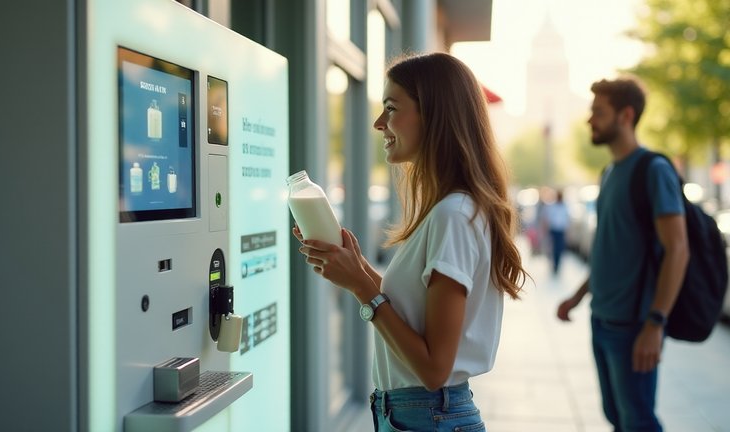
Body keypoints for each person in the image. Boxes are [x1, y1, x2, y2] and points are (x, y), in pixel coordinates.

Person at [294, 52, 528, 431]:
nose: (378, 123)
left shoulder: (453, 216)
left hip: (428, 416)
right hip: (419, 415)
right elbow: (416, 314)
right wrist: (359, 269)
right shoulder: (453, 211)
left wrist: (360, 287)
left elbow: (434, 368)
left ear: (434, 115)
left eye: (390, 108)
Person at [556, 77, 689, 431]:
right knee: (617, 416)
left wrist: (655, 324)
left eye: (598, 112)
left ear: (626, 116)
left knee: (638, 421)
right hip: (603, 318)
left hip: (634, 324)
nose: (590, 120)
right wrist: (577, 296)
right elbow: (610, 246)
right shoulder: (609, 172)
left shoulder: (653, 170)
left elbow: (678, 248)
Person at [541, 189, 570, 274]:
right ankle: (553, 264)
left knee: (559, 249)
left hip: (561, 231)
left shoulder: (565, 207)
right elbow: (547, 218)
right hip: (553, 230)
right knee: (552, 248)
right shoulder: (552, 207)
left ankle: (557, 265)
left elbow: (567, 219)